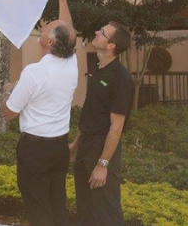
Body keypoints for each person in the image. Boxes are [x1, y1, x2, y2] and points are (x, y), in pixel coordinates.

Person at [2, 0, 79, 226]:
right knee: (57, 204)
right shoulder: (71, 64)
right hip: (59, 148)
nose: (44, 27)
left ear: (49, 42)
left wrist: (8, 91)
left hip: (35, 150)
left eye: (48, 28)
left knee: (39, 210)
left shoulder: (34, 72)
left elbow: (9, 113)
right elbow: (68, 30)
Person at [69, 19, 134, 226]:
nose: (97, 32)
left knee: (106, 211)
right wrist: (76, 144)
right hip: (86, 146)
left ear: (111, 45)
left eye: (102, 32)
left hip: (102, 147)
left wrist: (102, 164)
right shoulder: (97, 69)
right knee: (85, 209)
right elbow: (91, 111)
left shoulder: (121, 78)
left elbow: (116, 126)